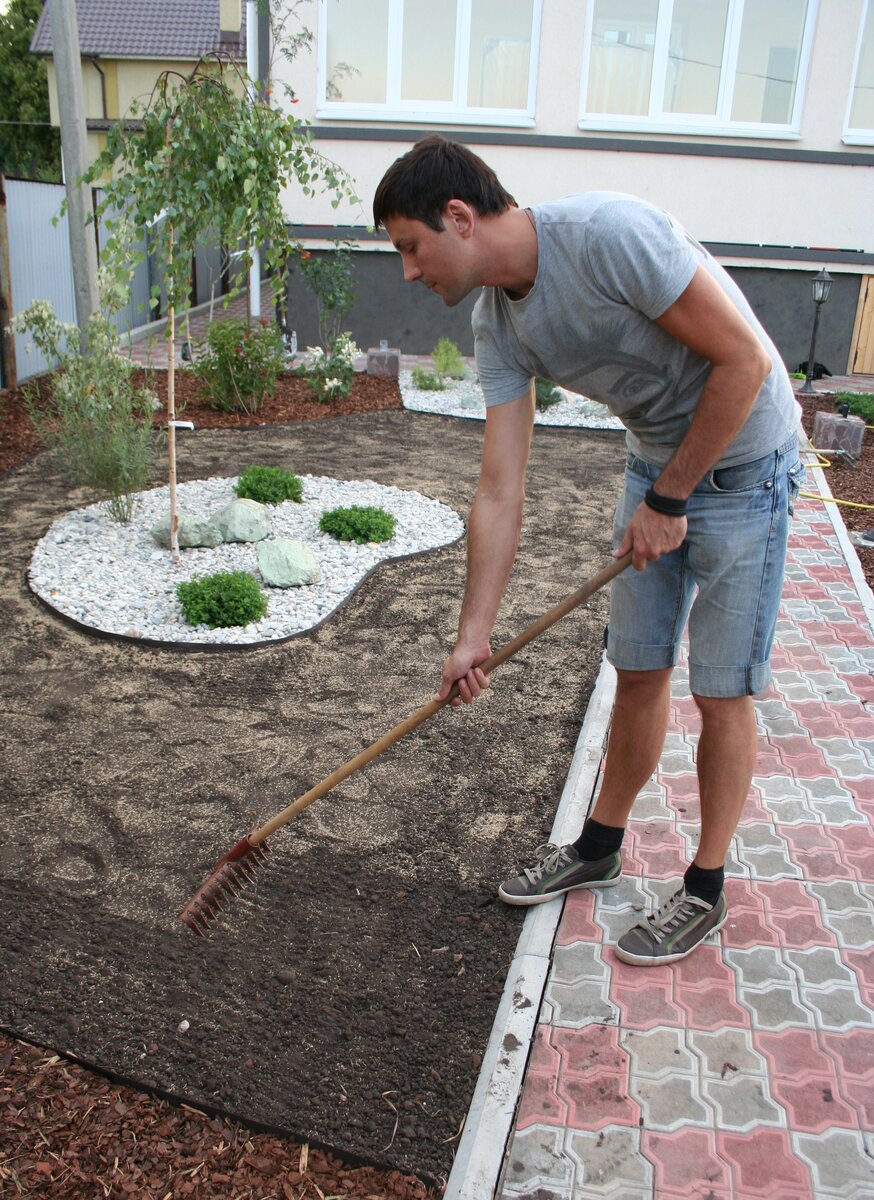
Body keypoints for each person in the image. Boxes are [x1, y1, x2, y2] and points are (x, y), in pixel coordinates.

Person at [372, 135, 803, 966]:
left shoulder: (611, 236)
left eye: (411, 247)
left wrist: (671, 500)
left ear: (458, 218)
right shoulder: (499, 324)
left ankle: (705, 887)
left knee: (721, 692)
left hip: (746, 467)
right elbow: (501, 488)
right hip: (658, 474)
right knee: (637, 672)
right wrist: (474, 634)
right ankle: (599, 844)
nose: (409, 271)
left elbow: (744, 359)